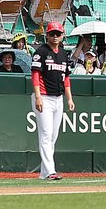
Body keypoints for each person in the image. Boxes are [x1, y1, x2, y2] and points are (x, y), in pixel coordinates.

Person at [31, 21, 74, 180]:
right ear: (47, 35)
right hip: (44, 97)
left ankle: (44, 173)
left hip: (58, 98)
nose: (55, 36)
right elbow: (35, 74)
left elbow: (66, 78)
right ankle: (50, 171)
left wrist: (69, 98)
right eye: (52, 34)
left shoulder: (63, 53)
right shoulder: (41, 52)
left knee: (53, 137)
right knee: (46, 135)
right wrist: (38, 97)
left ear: (62, 35)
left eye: (58, 34)